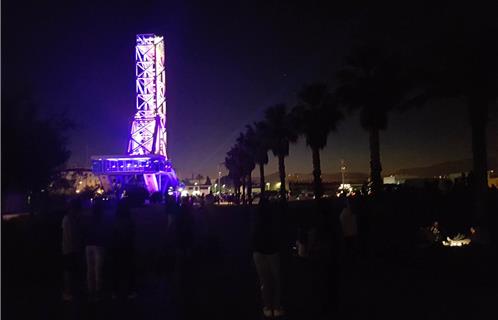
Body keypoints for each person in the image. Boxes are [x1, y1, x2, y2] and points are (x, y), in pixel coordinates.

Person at [252, 198, 284, 318]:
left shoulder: (256, 218)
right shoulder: (273, 218)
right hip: (272, 250)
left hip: (258, 251)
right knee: (276, 280)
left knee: (264, 281)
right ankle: (276, 307)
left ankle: (267, 306)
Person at [110, 199, 136, 299]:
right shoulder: (129, 220)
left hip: (117, 247)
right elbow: (133, 232)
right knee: (128, 269)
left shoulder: (115, 220)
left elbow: (113, 234)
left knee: (116, 269)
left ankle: (115, 291)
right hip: (127, 247)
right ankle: (130, 291)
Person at [62, 199, 84, 301]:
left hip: (67, 249)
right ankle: (69, 291)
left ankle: (69, 291)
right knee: (70, 271)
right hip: (71, 249)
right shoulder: (71, 219)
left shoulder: (66, 219)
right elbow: (72, 235)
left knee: (69, 271)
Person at [85, 200, 107, 300]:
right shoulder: (102, 219)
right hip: (98, 245)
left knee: (90, 269)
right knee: (98, 269)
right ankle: (98, 290)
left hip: (89, 245)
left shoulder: (89, 219)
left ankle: (91, 289)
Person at [339, 197, 358, 262]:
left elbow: (342, 223)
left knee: (349, 246)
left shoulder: (344, 213)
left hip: (347, 233)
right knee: (352, 246)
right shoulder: (353, 211)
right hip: (353, 232)